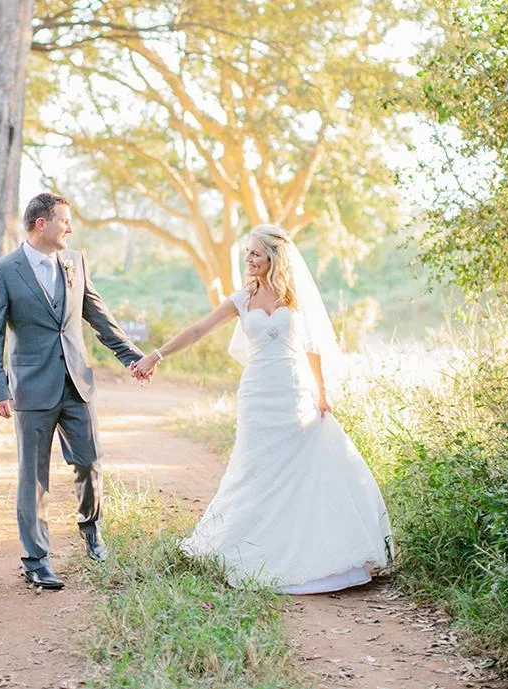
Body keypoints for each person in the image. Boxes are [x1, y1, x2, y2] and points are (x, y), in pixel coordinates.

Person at [131, 223, 393, 593]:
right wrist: (155, 354)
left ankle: (306, 551)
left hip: (293, 392)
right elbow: (196, 331)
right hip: (256, 395)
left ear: (273, 256)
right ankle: (250, 546)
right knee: (254, 468)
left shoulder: (295, 298)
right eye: (247, 253)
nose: (248, 259)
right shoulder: (241, 299)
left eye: (255, 252)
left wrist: (322, 392)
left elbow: (312, 347)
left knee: (300, 469)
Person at [0, 192, 147, 590]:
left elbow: (98, 315)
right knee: (32, 477)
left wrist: (132, 358)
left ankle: (91, 529)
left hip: (77, 383)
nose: (70, 228)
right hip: (31, 388)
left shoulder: (75, 262)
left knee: (90, 464)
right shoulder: (3, 271)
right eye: (64, 221)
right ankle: (37, 560)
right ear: (42, 223)